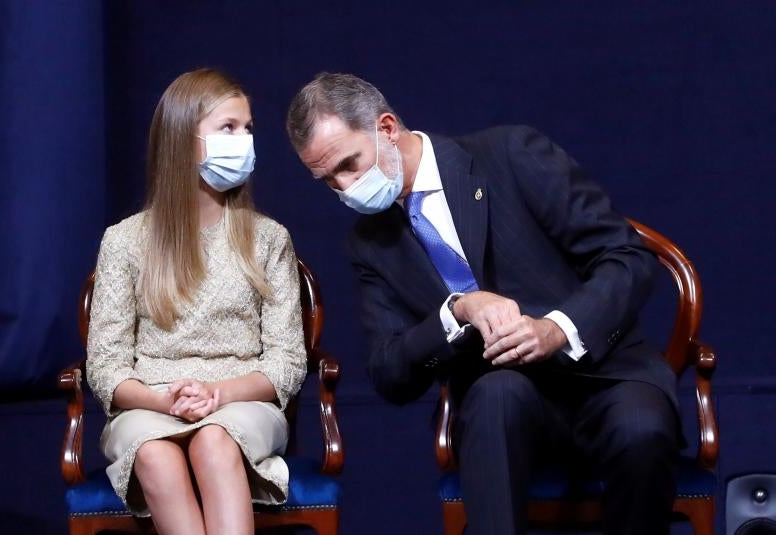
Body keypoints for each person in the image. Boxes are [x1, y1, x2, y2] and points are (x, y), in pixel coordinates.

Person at [286, 73, 682, 535]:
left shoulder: (510, 153)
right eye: (328, 180)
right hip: (504, 399)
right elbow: (389, 372)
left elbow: (627, 257)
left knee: (641, 429)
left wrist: (556, 328)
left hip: (606, 374)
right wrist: (456, 311)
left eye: (349, 164)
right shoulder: (370, 243)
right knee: (495, 397)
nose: (345, 187)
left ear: (388, 128)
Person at [86, 68, 307, 535]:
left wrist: (220, 395)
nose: (244, 140)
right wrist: (161, 400)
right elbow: (105, 366)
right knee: (154, 451)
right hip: (149, 405)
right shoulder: (124, 242)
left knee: (214, 440)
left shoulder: (269, 240)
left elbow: (287, 362)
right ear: (183, 140)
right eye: (228, 128)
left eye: (248, 129)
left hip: (241, 404)